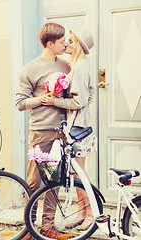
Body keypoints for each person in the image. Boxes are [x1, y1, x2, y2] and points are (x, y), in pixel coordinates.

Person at [16, 22, 70, 240]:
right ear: (50, 44)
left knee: (55, 180)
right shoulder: (30, 69)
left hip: (61, 132)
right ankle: (28, 227)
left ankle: (48, 226)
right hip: (40, 131)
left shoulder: (66, 66)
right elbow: (20, 103)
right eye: (61, 41)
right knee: (34, 181)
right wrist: (42, 99)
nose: (66, 44)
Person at [39, 28, 97, 231]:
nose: (67, 44)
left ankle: (91, 215)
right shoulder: (78, 65)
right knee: (76, 171)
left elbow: (79, 101)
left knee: (79, 173)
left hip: (80, 127)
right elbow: (87, 95)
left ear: (79, 46)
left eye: (71, 42)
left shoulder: (80, 67)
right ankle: (83, 213)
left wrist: (56, 101)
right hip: (79, 126)